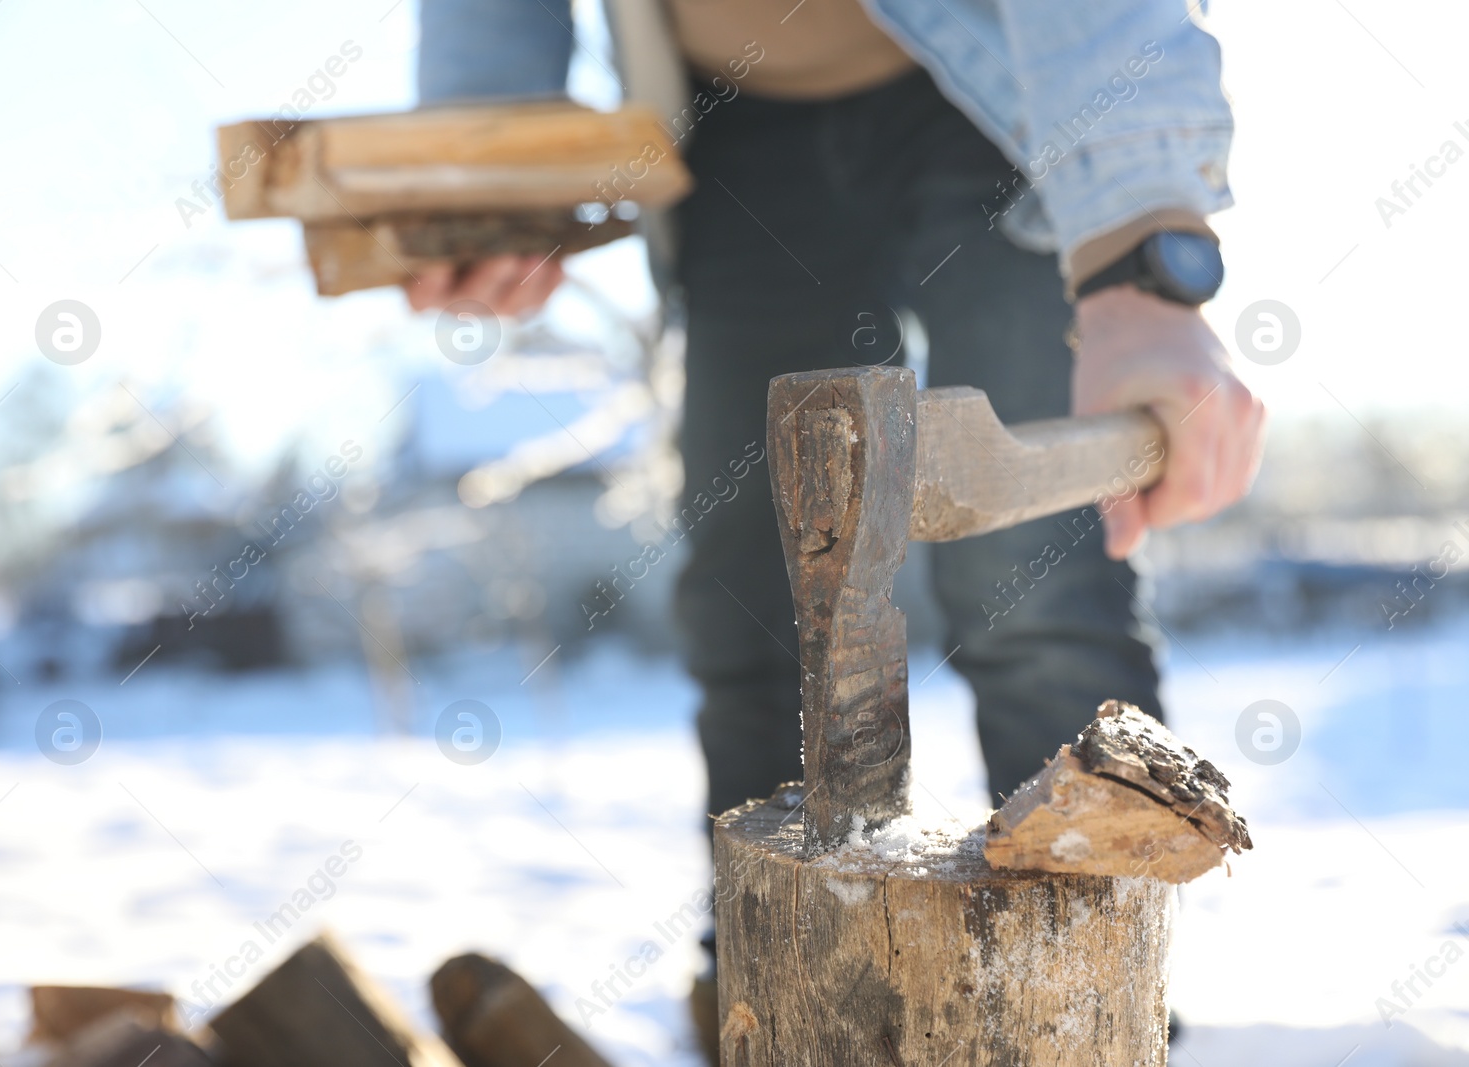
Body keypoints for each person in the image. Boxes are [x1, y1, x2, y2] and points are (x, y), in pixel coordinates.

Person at [407, 0, 1263, 1054]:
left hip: (994, 95)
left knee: (1031, 588)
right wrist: (488, 158)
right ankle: (771, 985)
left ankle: (1090, 998)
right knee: (755, 593)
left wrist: (1142, 257)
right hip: (737, 128)